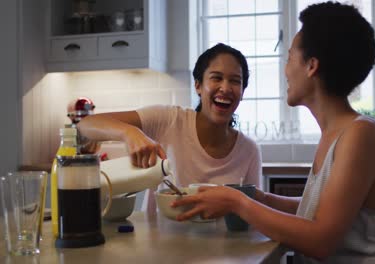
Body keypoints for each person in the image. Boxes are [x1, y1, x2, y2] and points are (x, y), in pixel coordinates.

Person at [173, 2, 375, 263]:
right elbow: (323, 212)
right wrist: (259, 198)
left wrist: (237, 203)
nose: (285, 71)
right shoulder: (338, 134)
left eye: (289, 58)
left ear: (311, 66)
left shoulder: (360, 136)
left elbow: (320, 240)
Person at [77, 43, 261, 193]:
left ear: (243, 92)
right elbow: (86, 125)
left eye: (235, 81)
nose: (226, 88)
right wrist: (129, 132)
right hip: (160, 237)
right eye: (216, 78)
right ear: (198, 85)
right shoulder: (168, 120)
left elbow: (251, 215)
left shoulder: (249, 151)